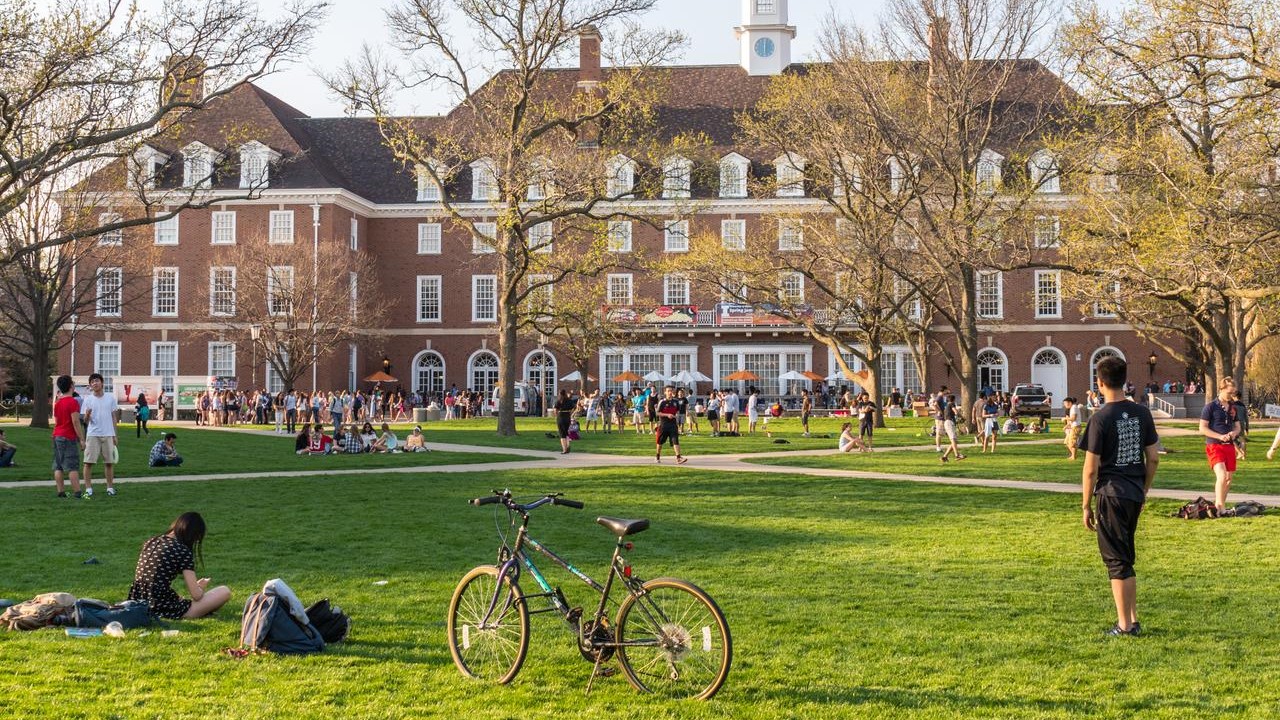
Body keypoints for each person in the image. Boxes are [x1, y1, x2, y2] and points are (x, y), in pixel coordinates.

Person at [1079, 356, 1159, 636]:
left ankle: (1124, 625)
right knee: (1125, 557)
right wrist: (1144, 489)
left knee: (1116, 560)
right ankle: (1133, 619)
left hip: (1110, 494)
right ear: (1124, 380)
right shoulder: (1142, 414)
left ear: (1099, 383)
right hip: (1134, 493)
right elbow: (1153, 458)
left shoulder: (1100, 418)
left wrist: (1086, 505)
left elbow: (1090, 469)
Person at [127, 512, 232, 619]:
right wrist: (200, 587)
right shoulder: (182, 550)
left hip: (138, 601)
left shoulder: (152, 541)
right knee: (224, 591)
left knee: (181, 599)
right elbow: (196, 595)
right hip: (160, 607)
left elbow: (154, 580)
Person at [1199, 377, 1243, 513]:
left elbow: (1238, 427)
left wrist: (1234, 434)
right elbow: (1202, 428)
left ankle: (1221, 507)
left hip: (1229, 446)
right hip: (1214, 445)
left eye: (1233, 393)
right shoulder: (1210, 407)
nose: (1232, 396)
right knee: (1222, 476)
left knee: (1228, 479)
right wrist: (1219, 436)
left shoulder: (1233, 408)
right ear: (1222, 389)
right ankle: (1219, 506)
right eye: (1229, 393)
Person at [80, 372, 119, 497]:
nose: (94, 383)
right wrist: (87, 415)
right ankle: (88, 488)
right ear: (90, 385)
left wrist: (115, 435)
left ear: (102, 383)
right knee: (88, 462)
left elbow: (114, 417)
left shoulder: (110, 398)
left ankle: (110, 487)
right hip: (93, 434)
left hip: (108, 434)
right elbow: (85, 421)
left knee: (109, 462)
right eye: (92, 382)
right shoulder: (88, 400)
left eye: (96, 381)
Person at [51, 375, 86, 497]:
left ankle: (61, 492)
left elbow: (56, 421)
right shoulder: (73, 402)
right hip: (68, 436)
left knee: (58, 465)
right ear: (71, 386)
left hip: (57, 435)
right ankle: (77, 492)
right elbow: (75, 422)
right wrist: (81, 439)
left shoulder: (58, 403)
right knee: (72, 466)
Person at [654, 386, 687, 464]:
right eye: (668, 391)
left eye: (671, 391)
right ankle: (657, 456)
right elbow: (657, 413)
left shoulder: (675, 402)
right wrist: (667, 415)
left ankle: (678, 458)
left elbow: (678, 412)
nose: (670, 392)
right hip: (664, 425)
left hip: (673, 425)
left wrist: (676, 417)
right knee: (660, 442)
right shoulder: (662, 402)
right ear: (665, 392)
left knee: (676, 441)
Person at [940, 394, 966, 463]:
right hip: (949, 423)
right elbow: (956, 412)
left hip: (948, 423)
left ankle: (944, 457)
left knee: (954, 441)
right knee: (953, 440)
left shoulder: (947, 406)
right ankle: (957, 455)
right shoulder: (951, 404)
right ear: (953, 400)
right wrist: (962, 417)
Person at [555, 389, 577, 454]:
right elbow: (575, 407)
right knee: (566, 432)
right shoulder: (569, 400)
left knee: (562, 434)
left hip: (561, 416)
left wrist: (556, 416)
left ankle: (564, 449)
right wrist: (571, 412)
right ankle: (568, 445)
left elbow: (555, 410)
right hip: (567, 416)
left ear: (560, 394)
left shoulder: (559, 400)